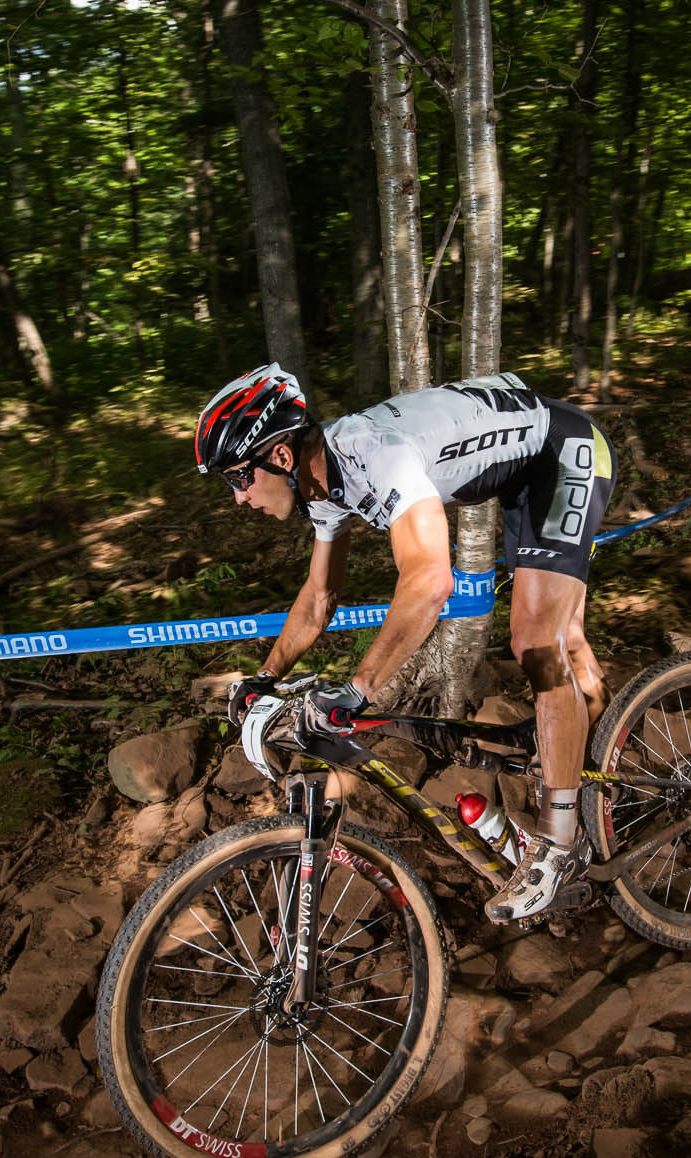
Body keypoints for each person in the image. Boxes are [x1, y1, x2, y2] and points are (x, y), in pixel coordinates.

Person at [194, 364, 614, 923]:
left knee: (537, 642)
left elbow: (431, 580)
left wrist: (359, 689)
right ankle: (604, 778)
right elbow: (320, 599)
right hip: (522, 471)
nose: (239, 498)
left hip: (562, 451)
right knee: (565, 641)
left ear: (282, 458)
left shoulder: (375, 454)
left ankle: (559, 845)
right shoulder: (325, 484)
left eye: (238, 478)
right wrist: (265, 677)